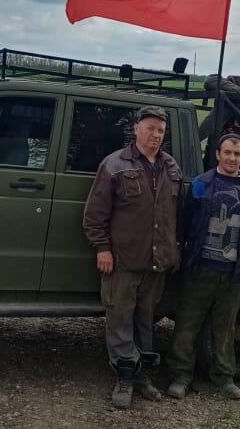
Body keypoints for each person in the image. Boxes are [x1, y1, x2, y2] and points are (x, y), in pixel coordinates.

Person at [82, 106, 183, 409]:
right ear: (136, 129)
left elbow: (178, 216)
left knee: (146, 322)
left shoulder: (171, 167)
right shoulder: (114, 165)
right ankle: (125, 378)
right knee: (120, 319)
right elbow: (93, 215)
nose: (155, 135)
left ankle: (144, 377)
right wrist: (103, 248)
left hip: (157, 263)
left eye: (161, 131)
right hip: (123, 261)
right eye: (150, 128)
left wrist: (175, 249)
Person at [166, 134, 240, 400]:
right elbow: (185, 221)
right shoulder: (200, 184)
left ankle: (224, 377)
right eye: (227, 152)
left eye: (237, 154)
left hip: (234, 272)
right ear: (218, 154)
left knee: (226, 326)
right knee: (187, 325)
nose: (232, 158)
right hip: (201, 268)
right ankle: (180, 375)